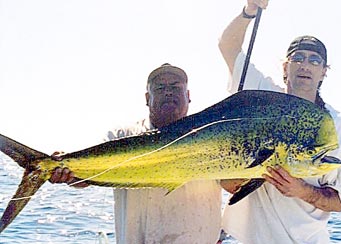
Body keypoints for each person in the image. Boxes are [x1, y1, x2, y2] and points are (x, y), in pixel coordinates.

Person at [218, 1, 341, 244]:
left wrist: (300, 189)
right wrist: (250, 9)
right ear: (285, 66)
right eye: (298, 58)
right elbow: (228, 46)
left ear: (324, 71)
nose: (305, 65)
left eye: (315, 61)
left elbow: (340, 201)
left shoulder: (340, 124)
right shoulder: (262, 92)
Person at [50, 63, 223, 244]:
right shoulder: (122, 136)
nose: (168, 92)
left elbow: (232, 184)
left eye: (175, 87)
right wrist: (66, 169)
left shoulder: (214, 137)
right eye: (160, 88)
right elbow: (85, 178)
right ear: (147, 98)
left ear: (188, 96)